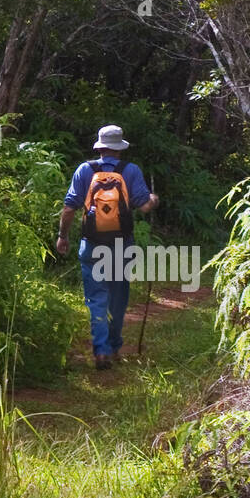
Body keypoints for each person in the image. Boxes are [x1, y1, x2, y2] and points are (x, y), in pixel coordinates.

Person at [56, 125, 158, 369]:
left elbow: (70, 207)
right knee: (118, 298)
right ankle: (113, 347)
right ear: (120, 149)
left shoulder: (85, 170)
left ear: (100, 148)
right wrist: (154, 200)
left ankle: (100, 351)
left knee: (96, 298)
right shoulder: (130, 170)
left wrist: (63, 236)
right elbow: (144, 206)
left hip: (91, 244)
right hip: (121, 245)